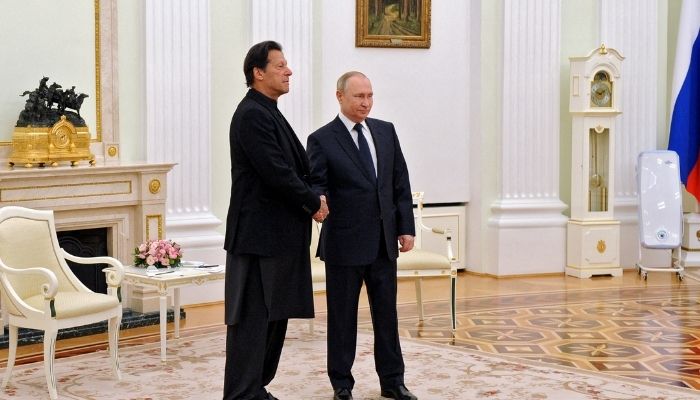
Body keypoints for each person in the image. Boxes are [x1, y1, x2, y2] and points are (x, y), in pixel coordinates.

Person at [223, 40, 329, 400]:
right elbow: (276, 172)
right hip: (257, 239)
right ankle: (242, 393)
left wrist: (314, 194)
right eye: (280, 65)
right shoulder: (252, 113)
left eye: (287, 65)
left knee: (272, 318)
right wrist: (312, 202)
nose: (289, 71)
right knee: (252, 320)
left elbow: (292, 167)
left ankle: (256, 388)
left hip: (275, 237)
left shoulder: (268, 110)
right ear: (258, 72)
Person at [306, 71, 418, 400]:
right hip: (344, 243)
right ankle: (342, 383)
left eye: (369, 96)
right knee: (342, 319)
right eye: (358, 96)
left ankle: (393, 382)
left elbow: (400, 181)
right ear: (340, 97)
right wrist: (317, 201)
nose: (365, 102)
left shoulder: (385, 131)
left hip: (384, 241)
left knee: (387, 316)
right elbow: (316, 182)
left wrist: (405, 226)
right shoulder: (322, 139)